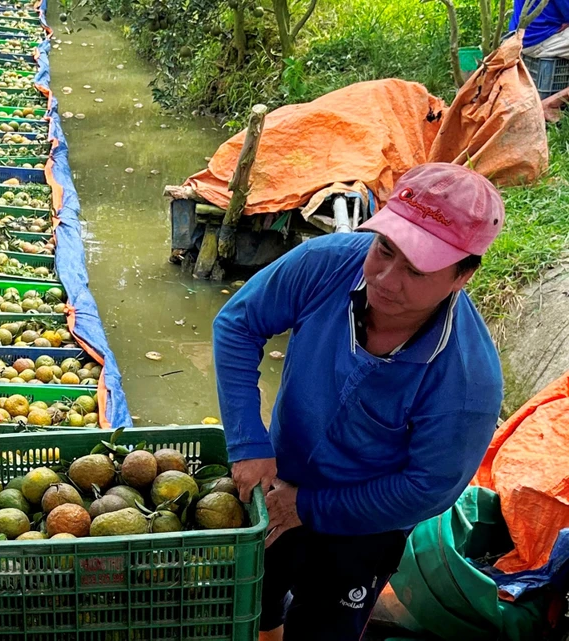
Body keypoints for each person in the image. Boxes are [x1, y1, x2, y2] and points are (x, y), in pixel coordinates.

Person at [212, 163, 505, 641]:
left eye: (416, 269)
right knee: (250, 606)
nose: (387, 279)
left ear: (462, 276)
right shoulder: (325, 264)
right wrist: (248, 442)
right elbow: (238, 325)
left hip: (366, 522)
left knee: (326, 627)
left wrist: (308, 507)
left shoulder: (466, 381)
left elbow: (427, 489)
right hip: (274, 479)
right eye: (384, 249)